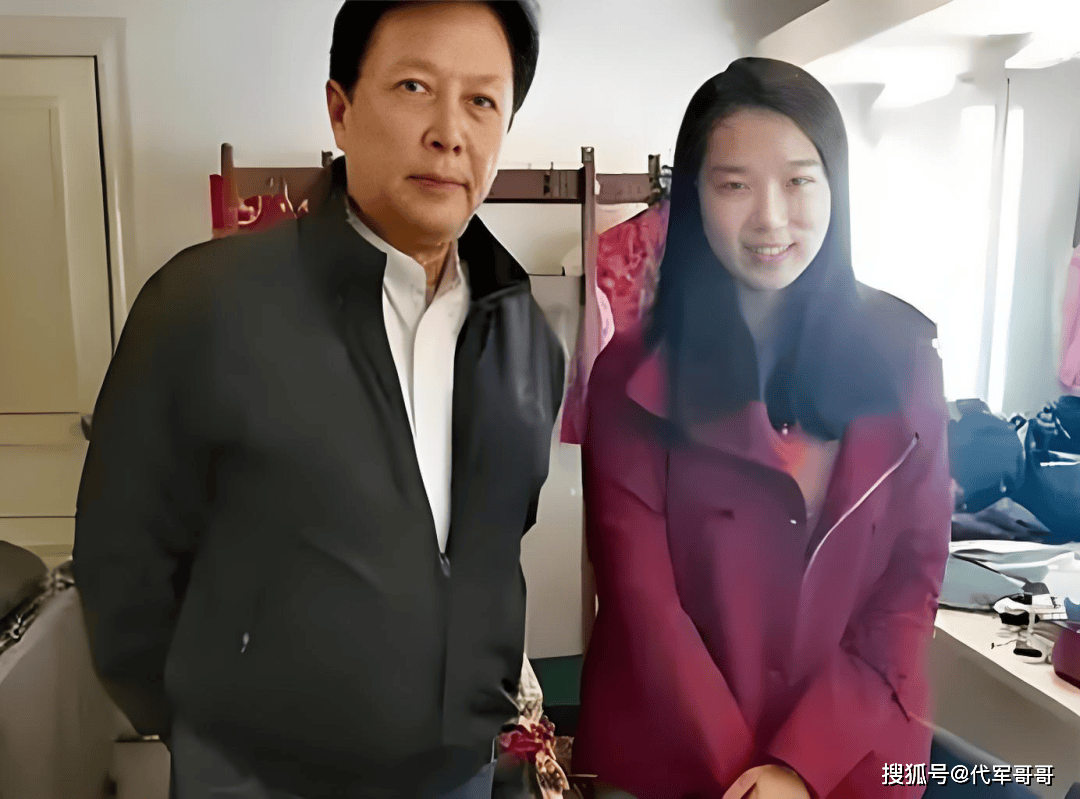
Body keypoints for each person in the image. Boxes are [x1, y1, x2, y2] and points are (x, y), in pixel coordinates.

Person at [73, 2, 563, 798]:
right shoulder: (207, 304)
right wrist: (211, 732)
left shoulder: (524, 334)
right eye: (414, 86)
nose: (449, 132)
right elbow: (120, 560)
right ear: (341, 109)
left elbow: (495, 545)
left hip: (459, 774)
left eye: (482, 100)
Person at [572, 58, 951, 799]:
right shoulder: (631, 375)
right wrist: (749, 783)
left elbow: (910, 588)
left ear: (837, 187)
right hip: (677, 762)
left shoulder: (905, 358)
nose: (771, 219)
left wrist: (801, 765)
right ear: (694, 197)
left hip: (852, 760)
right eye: (734, 185)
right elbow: (643, 602)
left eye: (799, 181)